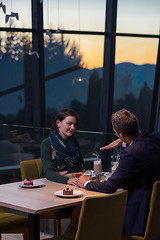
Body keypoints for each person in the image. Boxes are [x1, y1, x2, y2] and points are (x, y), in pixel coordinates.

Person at [76, 108, 160, 236]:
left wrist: (86, 183)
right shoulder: (154, 140)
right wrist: (123, 141)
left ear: (120, 134)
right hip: (155, 218)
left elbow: (109, 187)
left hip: (138, 219)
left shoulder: (130, 154)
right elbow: (143, 140)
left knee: (97, 222)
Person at [40, 108, 83, 185]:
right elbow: (49, 173)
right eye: (69, 124)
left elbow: (80, 165)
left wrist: (64, 173)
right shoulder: (46, 144)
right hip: (49, 184)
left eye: (75, 125)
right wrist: (67, 180)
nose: (73, 128)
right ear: (58, 123)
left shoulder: (73, 140)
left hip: (72, 182)